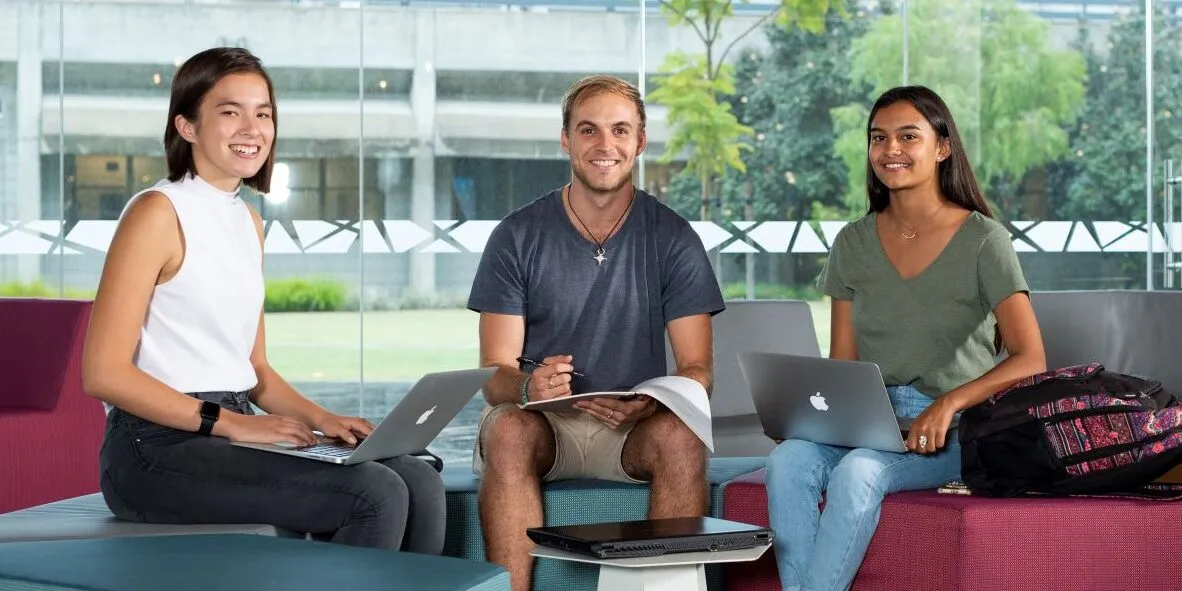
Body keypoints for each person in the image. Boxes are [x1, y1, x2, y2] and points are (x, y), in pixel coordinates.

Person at [81, 47, 445, 551]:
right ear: (186, 126)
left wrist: (323, 420)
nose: (252, 128)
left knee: (419, 480)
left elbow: (255, 372)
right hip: (153, 448)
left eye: (263, 113)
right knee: (374, 494)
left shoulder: (247, 221)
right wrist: (231, 425)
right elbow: (103, 373)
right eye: (230, 112)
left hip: (228, 430)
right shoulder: (156, 213)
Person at [764, 85, 1046, 591]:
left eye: (908, 136)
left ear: (942, 148)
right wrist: (812, 418)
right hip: (871, 420)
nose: (890, 149)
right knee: (788, 459)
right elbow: (844, 363)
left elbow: (1030, 358)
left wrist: (948, 405)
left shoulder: (985, 240)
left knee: (858, 473)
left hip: (954, 430)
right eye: (879, 137)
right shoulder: (853, 241)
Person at [466, 74, 726, 591]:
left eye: (620, 130)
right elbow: (493, 373)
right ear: (566, 139)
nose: (605, 145)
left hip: (634, 431)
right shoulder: (517, 235)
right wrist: (527, 386)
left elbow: (698, 371)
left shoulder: (673, 237)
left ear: (641, 141)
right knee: (507, 428)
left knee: (683, 436)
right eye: (588, 130)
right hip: (544, 428)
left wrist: (655, 403)